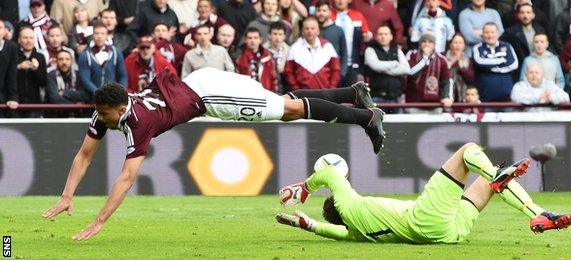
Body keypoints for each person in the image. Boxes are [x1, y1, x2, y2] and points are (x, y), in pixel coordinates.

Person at [41, 67, 386, 240]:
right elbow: (85, 154)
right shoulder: (109, 109)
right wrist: (67, 195)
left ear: (117, 109)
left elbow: (127, 177)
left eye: (104, 115)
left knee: (289, 110)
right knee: (279, 101)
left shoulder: (138, 122)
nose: (100, 120)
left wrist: (99, 221)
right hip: (199, 80)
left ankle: (366, 117)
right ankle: (354, 93)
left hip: (212, 97)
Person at [277, 143, 571, 244]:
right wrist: (304, 188)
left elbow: (335, 233)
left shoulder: (354, 232)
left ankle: (540, 214)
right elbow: (330, 173)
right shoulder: (350, 205)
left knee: (488, 183)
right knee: (468, 151)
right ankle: (504, 182)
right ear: (338, 205)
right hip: (426, 218)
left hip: (450, 234)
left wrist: (308, 224)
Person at [284, 17, 341, 90]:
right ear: (302, 31)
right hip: (303, 95)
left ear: (318, 31)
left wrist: (331, 88)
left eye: (312, 28)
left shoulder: (327, 46)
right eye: (307, 28)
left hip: (325, 94)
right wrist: (297, 89)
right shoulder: (295, 48)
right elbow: (289, 72)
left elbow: (336, 70)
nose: (309, 31)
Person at [364, 25, 409, 112]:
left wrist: (384, 69)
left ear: (391, 37)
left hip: (396, 97)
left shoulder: (397, 50)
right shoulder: (370, 50)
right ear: (376, 36)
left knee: (399, 125)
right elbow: (376, 66)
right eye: (380, 34)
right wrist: (395, 63)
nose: (383, 36)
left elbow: (406, 68)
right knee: (377, 125)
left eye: (386, 34)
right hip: (377, 97)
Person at [405, 33, 452, 113]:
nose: (427, 44)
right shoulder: (412, 55)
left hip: (435, 105)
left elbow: (447, 81)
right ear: (420, 44)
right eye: (424, 41)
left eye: (430, 42)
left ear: (434, 45)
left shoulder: (441, 59)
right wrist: (425, 58)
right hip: (414, 104)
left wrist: (447, 97)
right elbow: (410, 73)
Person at [472, 22, 518, 104]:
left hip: (506, 96)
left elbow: (514, 64)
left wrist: (491, 68)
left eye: (492, 32)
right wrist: (502, 60)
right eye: (487, 32)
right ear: (482, 34)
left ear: (497, 33)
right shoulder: (477, 48)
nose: (490, 35)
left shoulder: (507, 46)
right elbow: (479, 62)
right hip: (485, 97)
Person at [77, 24, 127, 95]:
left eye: (102, 33)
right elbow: (85, 80)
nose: (99, 36)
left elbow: (123, 76)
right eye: (97, 33)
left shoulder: (116, 53)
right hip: (92, 96)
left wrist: (120, 92)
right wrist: (99, 93)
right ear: (93, 36)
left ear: (107, 36)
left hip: (113, 95)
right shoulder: (85, 55)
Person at [332, 0, 372, 87]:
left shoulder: (358, 15)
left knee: (350, 95)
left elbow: (366, 33)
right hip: (333, 64)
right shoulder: (328, 15)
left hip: (352, 63)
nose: (340, 1)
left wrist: (367, 36)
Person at [500, 3, 545, 79]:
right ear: (518, 15)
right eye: (522, 12)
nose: (525, 15)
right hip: (519, 69)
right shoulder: (511, 32)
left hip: (539, 67)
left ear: (533, 15)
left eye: (528, 12)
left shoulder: (540, 29)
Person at [45, 49, 91, 117]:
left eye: (67, 59)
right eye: (61, 59)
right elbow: (54, 98)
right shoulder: (51, 75)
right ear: (56, 61)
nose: (64, 62)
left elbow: (85, 95)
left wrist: (64, 93)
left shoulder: (79, 75)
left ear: (72, 61)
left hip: (77, 116)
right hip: (56, 116)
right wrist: (75, 105)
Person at [17, 26, 47, 118]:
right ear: (19, 40)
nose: (28, 40)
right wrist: (19, 67)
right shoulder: (13, 55)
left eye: (31, 38)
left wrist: (35, 69)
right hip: (16, 103)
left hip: (35, 104)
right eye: (25, 38)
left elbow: (42, 82)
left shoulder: (40, 57)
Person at [237, 27, 278, 92]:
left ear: (260, 40)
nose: (252, 41)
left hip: (266, 94)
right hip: (245, 93)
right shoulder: (239, 57)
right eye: (250, 38)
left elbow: (274, 78)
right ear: (245, 40)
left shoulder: (268, 56)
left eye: (255, 38)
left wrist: (273, 93)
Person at [315, 0, 348, 80]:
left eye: (324, 10)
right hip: (316, 76)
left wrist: (342, 74)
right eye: (318, 10)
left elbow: (344, 54)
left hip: (334, 75)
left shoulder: (338, 30)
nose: (321, 13)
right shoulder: (311, 30)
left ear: (330, 12)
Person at [445, 33, 474, 102]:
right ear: (450, 45)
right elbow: (442, 73)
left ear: (464, 45)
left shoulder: (468, 59)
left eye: (460, 43)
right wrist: (453, 61)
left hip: (463, 95)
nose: (458, 45)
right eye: (455, 42)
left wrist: (461, 66)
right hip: (447, 93)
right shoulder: (443, 57)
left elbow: (470, 78)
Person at [0, 19, 19, 117]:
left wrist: (13, 97)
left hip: (3, 96)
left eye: (0, 28)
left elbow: (12, 74)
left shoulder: (12, 47)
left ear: (5, 31)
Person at [263, 22, 290, 90]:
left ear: (284, 36)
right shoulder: (262, 50)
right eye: (275, 34)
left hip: (285, 86)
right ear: (269, 35)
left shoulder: (290, 51)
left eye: (280, 34)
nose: (277, 37)